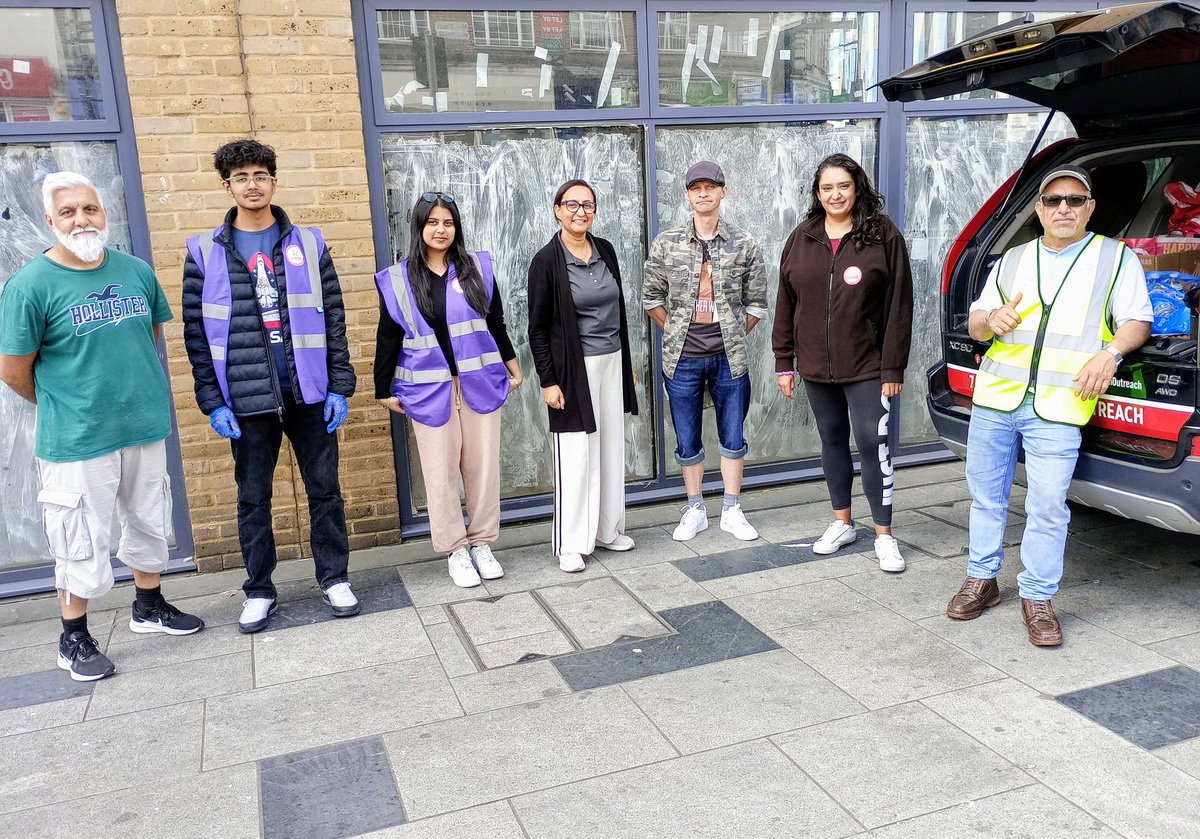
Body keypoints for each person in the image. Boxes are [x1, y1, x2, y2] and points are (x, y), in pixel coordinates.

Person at [0, 172, 204, 681]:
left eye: (89, 209)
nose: (80, 219)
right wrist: (62, 402)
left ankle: (149, 606)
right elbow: (13, 369)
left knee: (149, 518)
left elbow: (150, 336)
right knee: (78, 537)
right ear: (50, 221)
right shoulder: (29, 286)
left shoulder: (135, 271)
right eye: (67, 212)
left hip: (142, 423)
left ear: (104, 214)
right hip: (76, 438)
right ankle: (73, 638)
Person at [949, 164, 1152, 646]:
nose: (1064, 208)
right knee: (986, 497)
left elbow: (1137, 321)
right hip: (998, 396)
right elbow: (976, 322)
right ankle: (982, 580)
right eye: (1054, 200)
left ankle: (1036, 597)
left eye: (1075, 200)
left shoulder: (1115, 258)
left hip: (1061, 405)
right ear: (1038, 209)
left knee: (1047, 506)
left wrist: (1110, 353)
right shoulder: (1014, 258)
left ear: (1090, 208)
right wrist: (989, 319)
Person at [181, 139, 358, 633]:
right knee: (252, 498)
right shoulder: (203, 251)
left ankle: (334, 578)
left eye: (260, 175)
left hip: (309, 392)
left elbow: (334, 320)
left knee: (325, 491)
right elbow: (197, 334)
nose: (252, 185)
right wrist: (213, 402)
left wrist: (340, 385)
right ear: (227, 186)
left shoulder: (310, 243)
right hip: (246, 399)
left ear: (274, 181)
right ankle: (259, 591)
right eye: (241, 178)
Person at [772, 153, 913, 572]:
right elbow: (786, 302)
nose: (835, 194)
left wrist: (893, 368)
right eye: (827, 187)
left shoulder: (881, 235)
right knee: (832, 440)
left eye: (843, 186)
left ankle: (884, 534)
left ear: (857, 188)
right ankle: (842, 523)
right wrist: (784, 360)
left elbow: (899, 305)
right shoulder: (803, 237)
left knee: (872, 443)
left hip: (868, 365)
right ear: (817, 193)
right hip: (816, 365)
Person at [373, 193, 522, 587]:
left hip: (481, 382)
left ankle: (482, 543)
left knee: (483, 469)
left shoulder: (476, 269)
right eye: (433, 222)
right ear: (419, 227)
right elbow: (387, 336)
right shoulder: (399, 279)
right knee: (440, 474)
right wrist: (382, 387)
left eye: (448, 223)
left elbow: (497, 323)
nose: (441, 230)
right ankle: (456, 549)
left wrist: (513, 366)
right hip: (427, 389)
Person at [644, 161, 767, 542]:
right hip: (681, 359)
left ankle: (731, 509)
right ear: (687, 194)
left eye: (710, 186)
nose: (703, 193)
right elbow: (650, 297)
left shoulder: (743, 242)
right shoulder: (667, 242)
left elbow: (757, 301)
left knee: (733, 435)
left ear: (723, 191)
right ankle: (695, 508)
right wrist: (680, 332)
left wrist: (730, 332)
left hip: (730, 358)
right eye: (695, 187)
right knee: (687, 438)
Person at [527, 179, 639, 572]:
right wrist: (548, 380)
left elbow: (618, 313)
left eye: (587, 204)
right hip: (573, 370)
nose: (580, 211)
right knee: (576, 454)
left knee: (610, 448)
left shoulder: (605, 249)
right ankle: (572, 542)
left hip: (612, 362)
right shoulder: (546, 261)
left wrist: (626, 366)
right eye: (571, 204)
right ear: (556, 209)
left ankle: (607, 531)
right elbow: (537, 329)